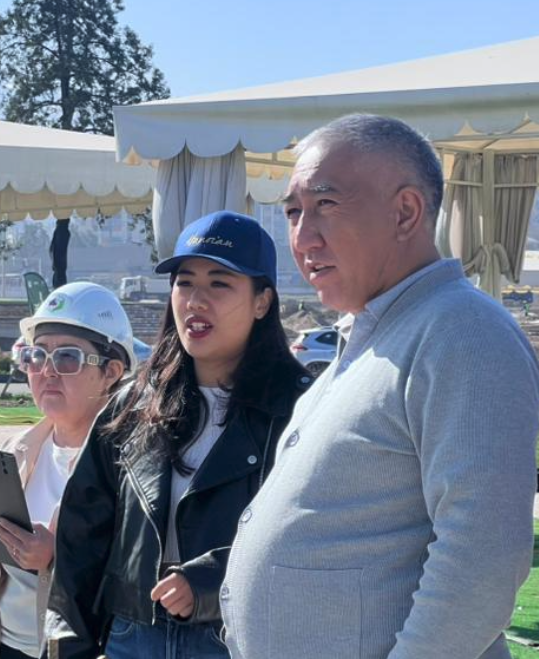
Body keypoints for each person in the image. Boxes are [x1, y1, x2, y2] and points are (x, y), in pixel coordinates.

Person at [221, 114, 539, 658]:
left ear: (405, 212)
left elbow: (482, 558)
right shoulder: (383, 333)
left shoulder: (463, 331)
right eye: (293, 212)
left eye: (326, 203)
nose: (302, 236)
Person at [46, 211, 311, 659]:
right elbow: (81, 540)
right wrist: (67, 648)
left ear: (262, 301)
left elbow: (311, 535)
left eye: (219, 284)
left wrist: (211, 582)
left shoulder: (301, 407)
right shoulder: (133, 403)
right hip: (133, 634)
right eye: (184, 283)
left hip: (237, 639)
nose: (195, 301)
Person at [0, 282, 135, 659]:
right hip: (2, 644)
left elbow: (137, 579)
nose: (47, 371)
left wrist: (57, 557)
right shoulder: (15, 452)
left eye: (67, 357)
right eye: (36, 355)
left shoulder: (132, 469)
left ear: (112, 371)